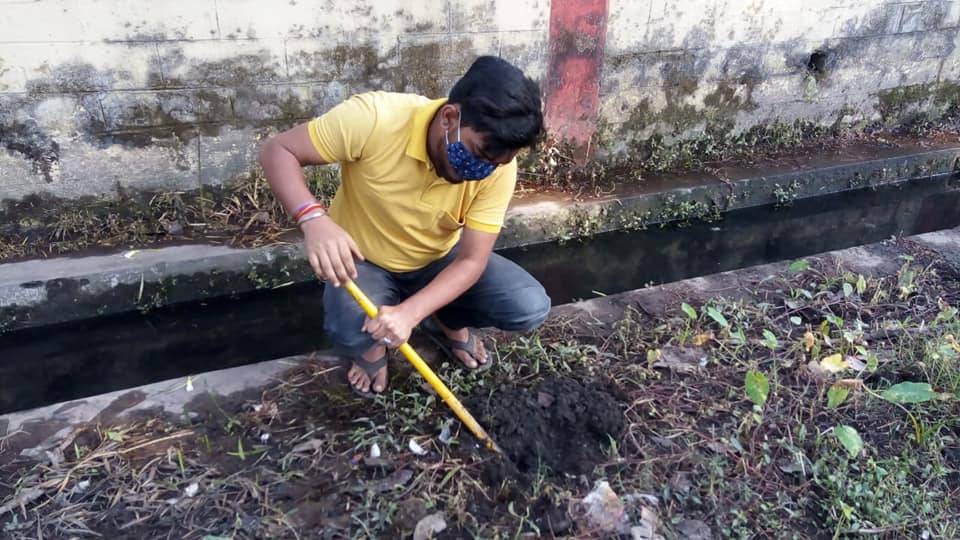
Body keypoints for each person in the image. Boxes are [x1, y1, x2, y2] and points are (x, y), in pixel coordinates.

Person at [258, 55, 551, 397]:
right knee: (350, 332)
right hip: (364, 260)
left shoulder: (497, 168)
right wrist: (313, 218)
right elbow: (278, 150)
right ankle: (373, 349)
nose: (481, 170)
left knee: (527, 306)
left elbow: (472, 260)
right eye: (477, 154)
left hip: (438, 259)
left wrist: (410, 313)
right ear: (450, 117)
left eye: (495, 163)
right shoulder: (375, 119)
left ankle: (445, 318)